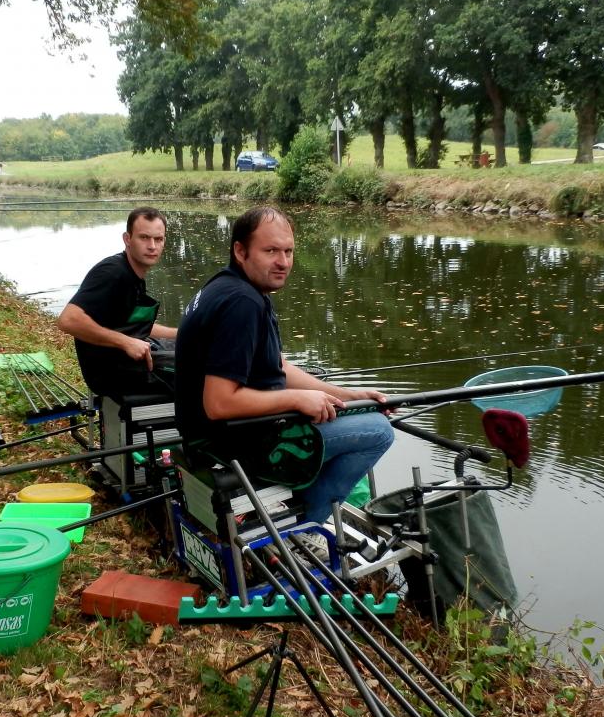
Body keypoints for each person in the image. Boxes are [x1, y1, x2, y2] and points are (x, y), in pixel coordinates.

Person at [175, 206, 394, 523]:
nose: (283, 262)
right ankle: (307, 525)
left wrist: (348, 394)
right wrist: (296, 399)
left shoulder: (232, 287)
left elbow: (278, 368)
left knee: (365, 413)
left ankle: (301, 503)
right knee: (379, 431)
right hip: (231, 443)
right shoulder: (243, 303)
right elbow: (218, 403)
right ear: (240, 250)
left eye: (288, 251)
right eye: (271, 251)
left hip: (215, 434)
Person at [57, 206, 178, 398]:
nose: (152, 246)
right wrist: (126, 342)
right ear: (127, 239)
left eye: (158, 239)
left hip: (127, 362)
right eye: (144, 237)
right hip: (112, 373)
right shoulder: (112, 273)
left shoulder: (134, 273)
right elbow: (68, 320)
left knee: (189, 346)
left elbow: (134, 325)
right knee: (200, 369)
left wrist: (180, 333)